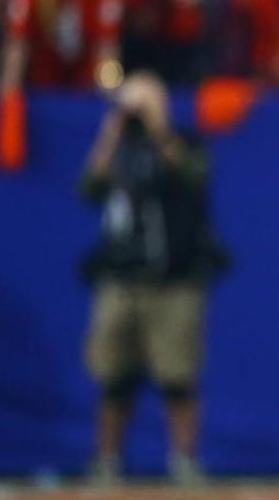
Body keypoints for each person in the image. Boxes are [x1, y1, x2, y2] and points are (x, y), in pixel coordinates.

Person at [79, 72, 225, 486]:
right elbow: (88, 188)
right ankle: (106, 463)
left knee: (178, 377)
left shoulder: (184, 143)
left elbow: (196, 177)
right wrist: (110, 133)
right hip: (120, 278)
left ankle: (184, 462)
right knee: (114, 379)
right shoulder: (118, 147)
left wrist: (159, 128)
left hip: (174, 281)